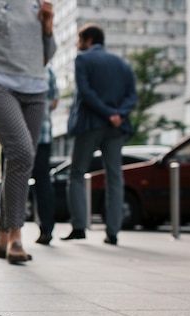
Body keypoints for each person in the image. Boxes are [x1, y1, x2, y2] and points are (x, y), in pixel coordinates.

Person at [0, 0, 56, 264]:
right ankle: (16, 235)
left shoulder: (38, 4)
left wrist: (47, 26)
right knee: (23, 153)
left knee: (20, 162)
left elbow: (47, 55)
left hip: (36, 90)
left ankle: (3, 234)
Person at [61, 23, 138, 245]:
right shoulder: (122, 64)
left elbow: (86, 93)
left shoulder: (83, 59)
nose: (78, 45)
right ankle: (112, 232)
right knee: (115, 176)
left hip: (89, 125)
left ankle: (79, 227)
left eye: (79, 40)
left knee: (76, 173)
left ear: (88, 40)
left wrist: (106, 113)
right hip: (116, 127)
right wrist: (117, 114)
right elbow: (132, 96)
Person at [32, 65, 59, 245]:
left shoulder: (18, 64)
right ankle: (47, 228)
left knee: (12, 179)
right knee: (43, 181)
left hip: (18, 135)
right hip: (44, 134)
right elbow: (54, 101)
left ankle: (7, 228)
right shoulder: (48, 71)